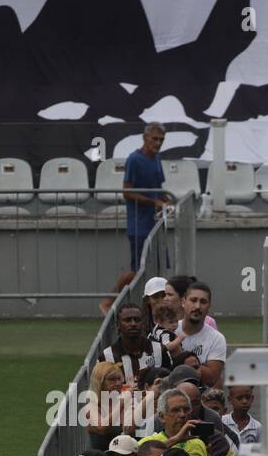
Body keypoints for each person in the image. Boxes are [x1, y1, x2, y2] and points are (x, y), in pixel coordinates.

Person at [102, 123, 170, 315]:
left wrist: (167, 200)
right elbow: (127, 192)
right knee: (137, 269)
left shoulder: (157, 158)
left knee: (154, 267)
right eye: (154, 139)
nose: (157, 143)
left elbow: (159, 188)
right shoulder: (134, 159)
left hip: (154, 223)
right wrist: (154, 202)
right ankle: (108, 301)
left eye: (161, 140)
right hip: (138, 223)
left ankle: (156, 308)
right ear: (145, 138)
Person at [144, 388, 214, 456]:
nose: (182, 415)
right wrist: (176, 439)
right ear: (162, 417)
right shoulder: (150, 443)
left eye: (186, 410)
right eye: (175, 410)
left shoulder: (198, 444)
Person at [97, 303, 171, 385]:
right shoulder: (106, 356)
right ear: (118, 324)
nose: (133, 324)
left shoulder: (159, 350)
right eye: (127, 320)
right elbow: (100, 389)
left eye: (137, 320)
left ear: (143, 322)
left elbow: (170, 383)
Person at [176, 281, 228, 388]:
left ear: (209, 306)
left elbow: (211, 378)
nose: (198, 306)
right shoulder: (169, 332)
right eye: (193, 300)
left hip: (201, 399)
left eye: (203, 302)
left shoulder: (217, 339)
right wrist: (199, 367)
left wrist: (178, 355)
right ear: (183, 302)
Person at [85, 361, 135, 451]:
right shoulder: (92, 406)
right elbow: (103, 427)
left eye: (119, 379)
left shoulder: (127, 402)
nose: (118, 383)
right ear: (100, 382)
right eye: (112, 379)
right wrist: (123, 402)